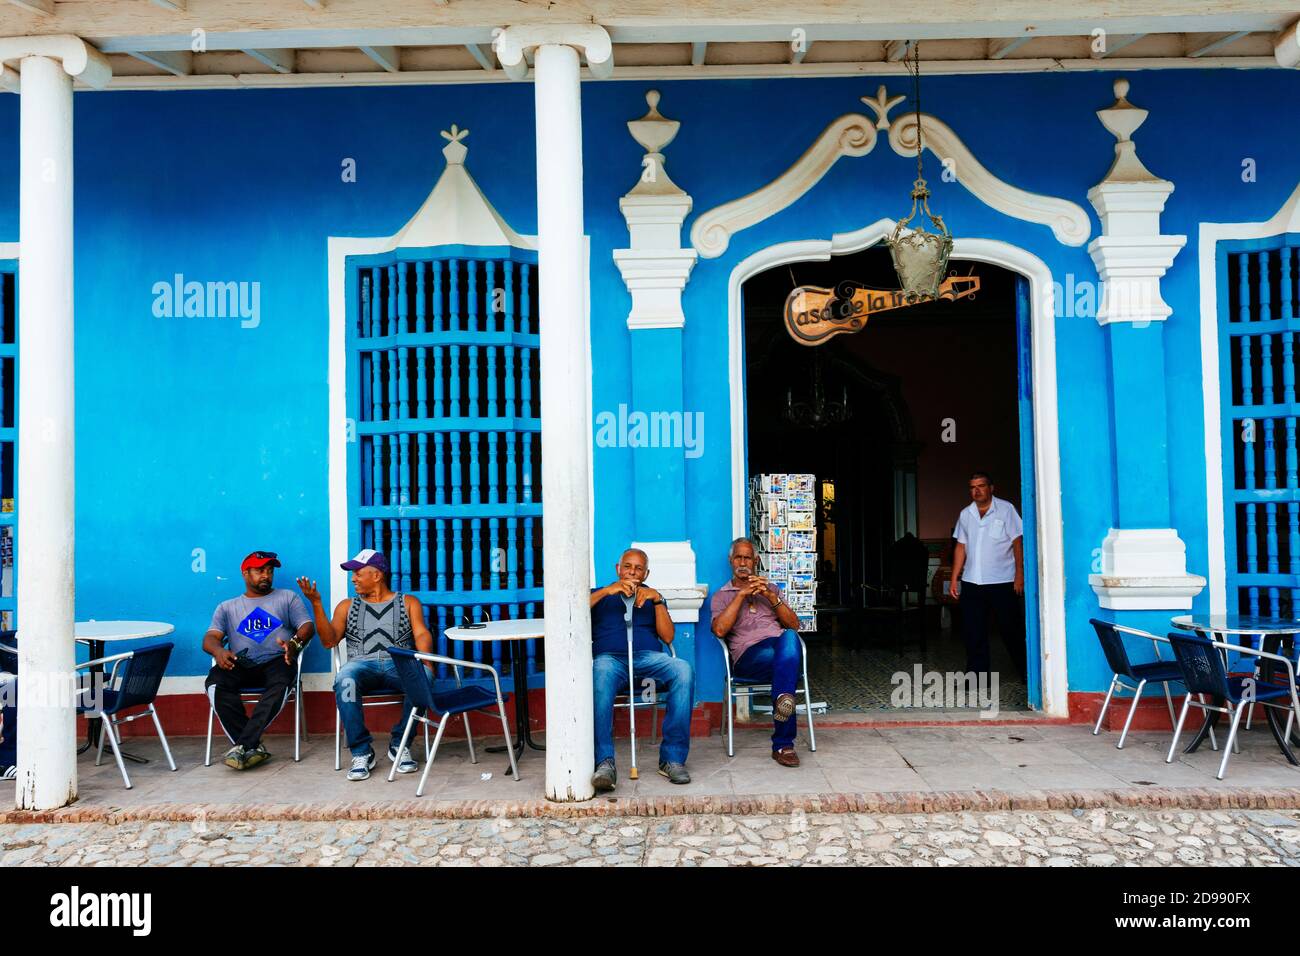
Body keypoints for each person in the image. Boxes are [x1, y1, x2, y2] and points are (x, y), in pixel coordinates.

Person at [298, 549, 434, 781]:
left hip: (398, 664)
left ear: (377, 575)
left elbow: (421, 633)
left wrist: (427, 663)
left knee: (423, 678)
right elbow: (329, 640)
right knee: (344, 679)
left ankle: (400, 745)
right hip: (361, 666)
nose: (353, 579)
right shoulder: (346, 606)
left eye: (358, 573)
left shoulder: (408, 602)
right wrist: (317, 604)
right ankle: (361, 752)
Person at [589, 547, 694, 791]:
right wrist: (607, 591)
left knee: (683, 669)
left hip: (648, 659)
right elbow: (571, 610)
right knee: (600, 673)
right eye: (628, 566)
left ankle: (672, 759)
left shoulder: (651, 597)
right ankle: (604, 762)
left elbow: (668, 636)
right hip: (610, 660)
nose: (632, 572)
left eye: (638, 568)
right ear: (618, 569)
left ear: (646, 574)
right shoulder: (599, 594)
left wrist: (657, 600)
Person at [203, 550, 315, 770]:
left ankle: (243, 744)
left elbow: (306, 627)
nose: (266, 575)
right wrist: (219, 652)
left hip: (278, 659)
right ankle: (251, 745)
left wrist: (294, 644)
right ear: (245, 574)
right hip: (241, 661)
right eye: (260, 570)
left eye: (270, 571)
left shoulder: (287, 597)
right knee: (216, 684)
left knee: (280, 683)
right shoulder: (227, 607)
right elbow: (210, 639)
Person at [711, 537, 807, 767]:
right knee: (786, 663)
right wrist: (741, 595)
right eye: (738, 557)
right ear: (730, 560)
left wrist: (772, 597)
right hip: (749, 657)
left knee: (790, 638)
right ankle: (784, 740)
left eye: (747, 558)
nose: (742, 562)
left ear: (756, 561)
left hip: (780, 649)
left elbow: (793, 624)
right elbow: (720, 630)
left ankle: (783, 703)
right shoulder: (722, 595)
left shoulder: (771, 589)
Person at [947, 472, 1026, 677]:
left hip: (1003, 580)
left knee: (1011, 630)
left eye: (981, 486)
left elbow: (1017, 542)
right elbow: (960, 547)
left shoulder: (1006, 509)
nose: (977, 490)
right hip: (972, 581)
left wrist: (1020, 574)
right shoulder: (966, 514)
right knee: (973, 633)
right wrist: (955, 578)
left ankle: (1027, 675)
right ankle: (976, 679)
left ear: (992, 487)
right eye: (973, 487)